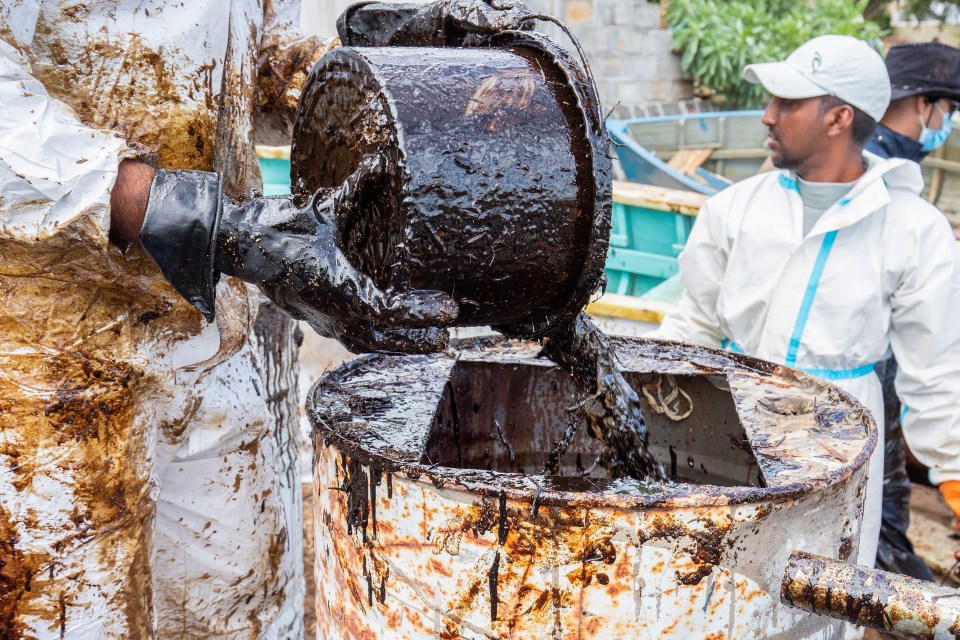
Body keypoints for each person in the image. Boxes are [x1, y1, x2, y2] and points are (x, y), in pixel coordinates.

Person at [0, 1, 528, 637]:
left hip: (210, 329)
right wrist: (187, 216)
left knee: (243, 612)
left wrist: (368, 70)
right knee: (71, 612)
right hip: (43, 362)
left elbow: (254, 70)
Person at [652, 34, 960, 573]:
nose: (767, 116)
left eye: (787, 103)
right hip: (730, 419)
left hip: (843, 434)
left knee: (825, 592)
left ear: (839, 118)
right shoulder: (732, 211)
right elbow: (693, 323)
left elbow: (935, 376)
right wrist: (635, 396)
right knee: (723, 579)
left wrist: (955, 479)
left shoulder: (915, 230)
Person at [863, 40, 960, 582]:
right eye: (946, 112)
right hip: (867, 372)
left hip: (888, 374)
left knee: (888, 497)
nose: (945, 124)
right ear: (925, 105)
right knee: (880, 510)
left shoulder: (903, 161)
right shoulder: (868, 160)